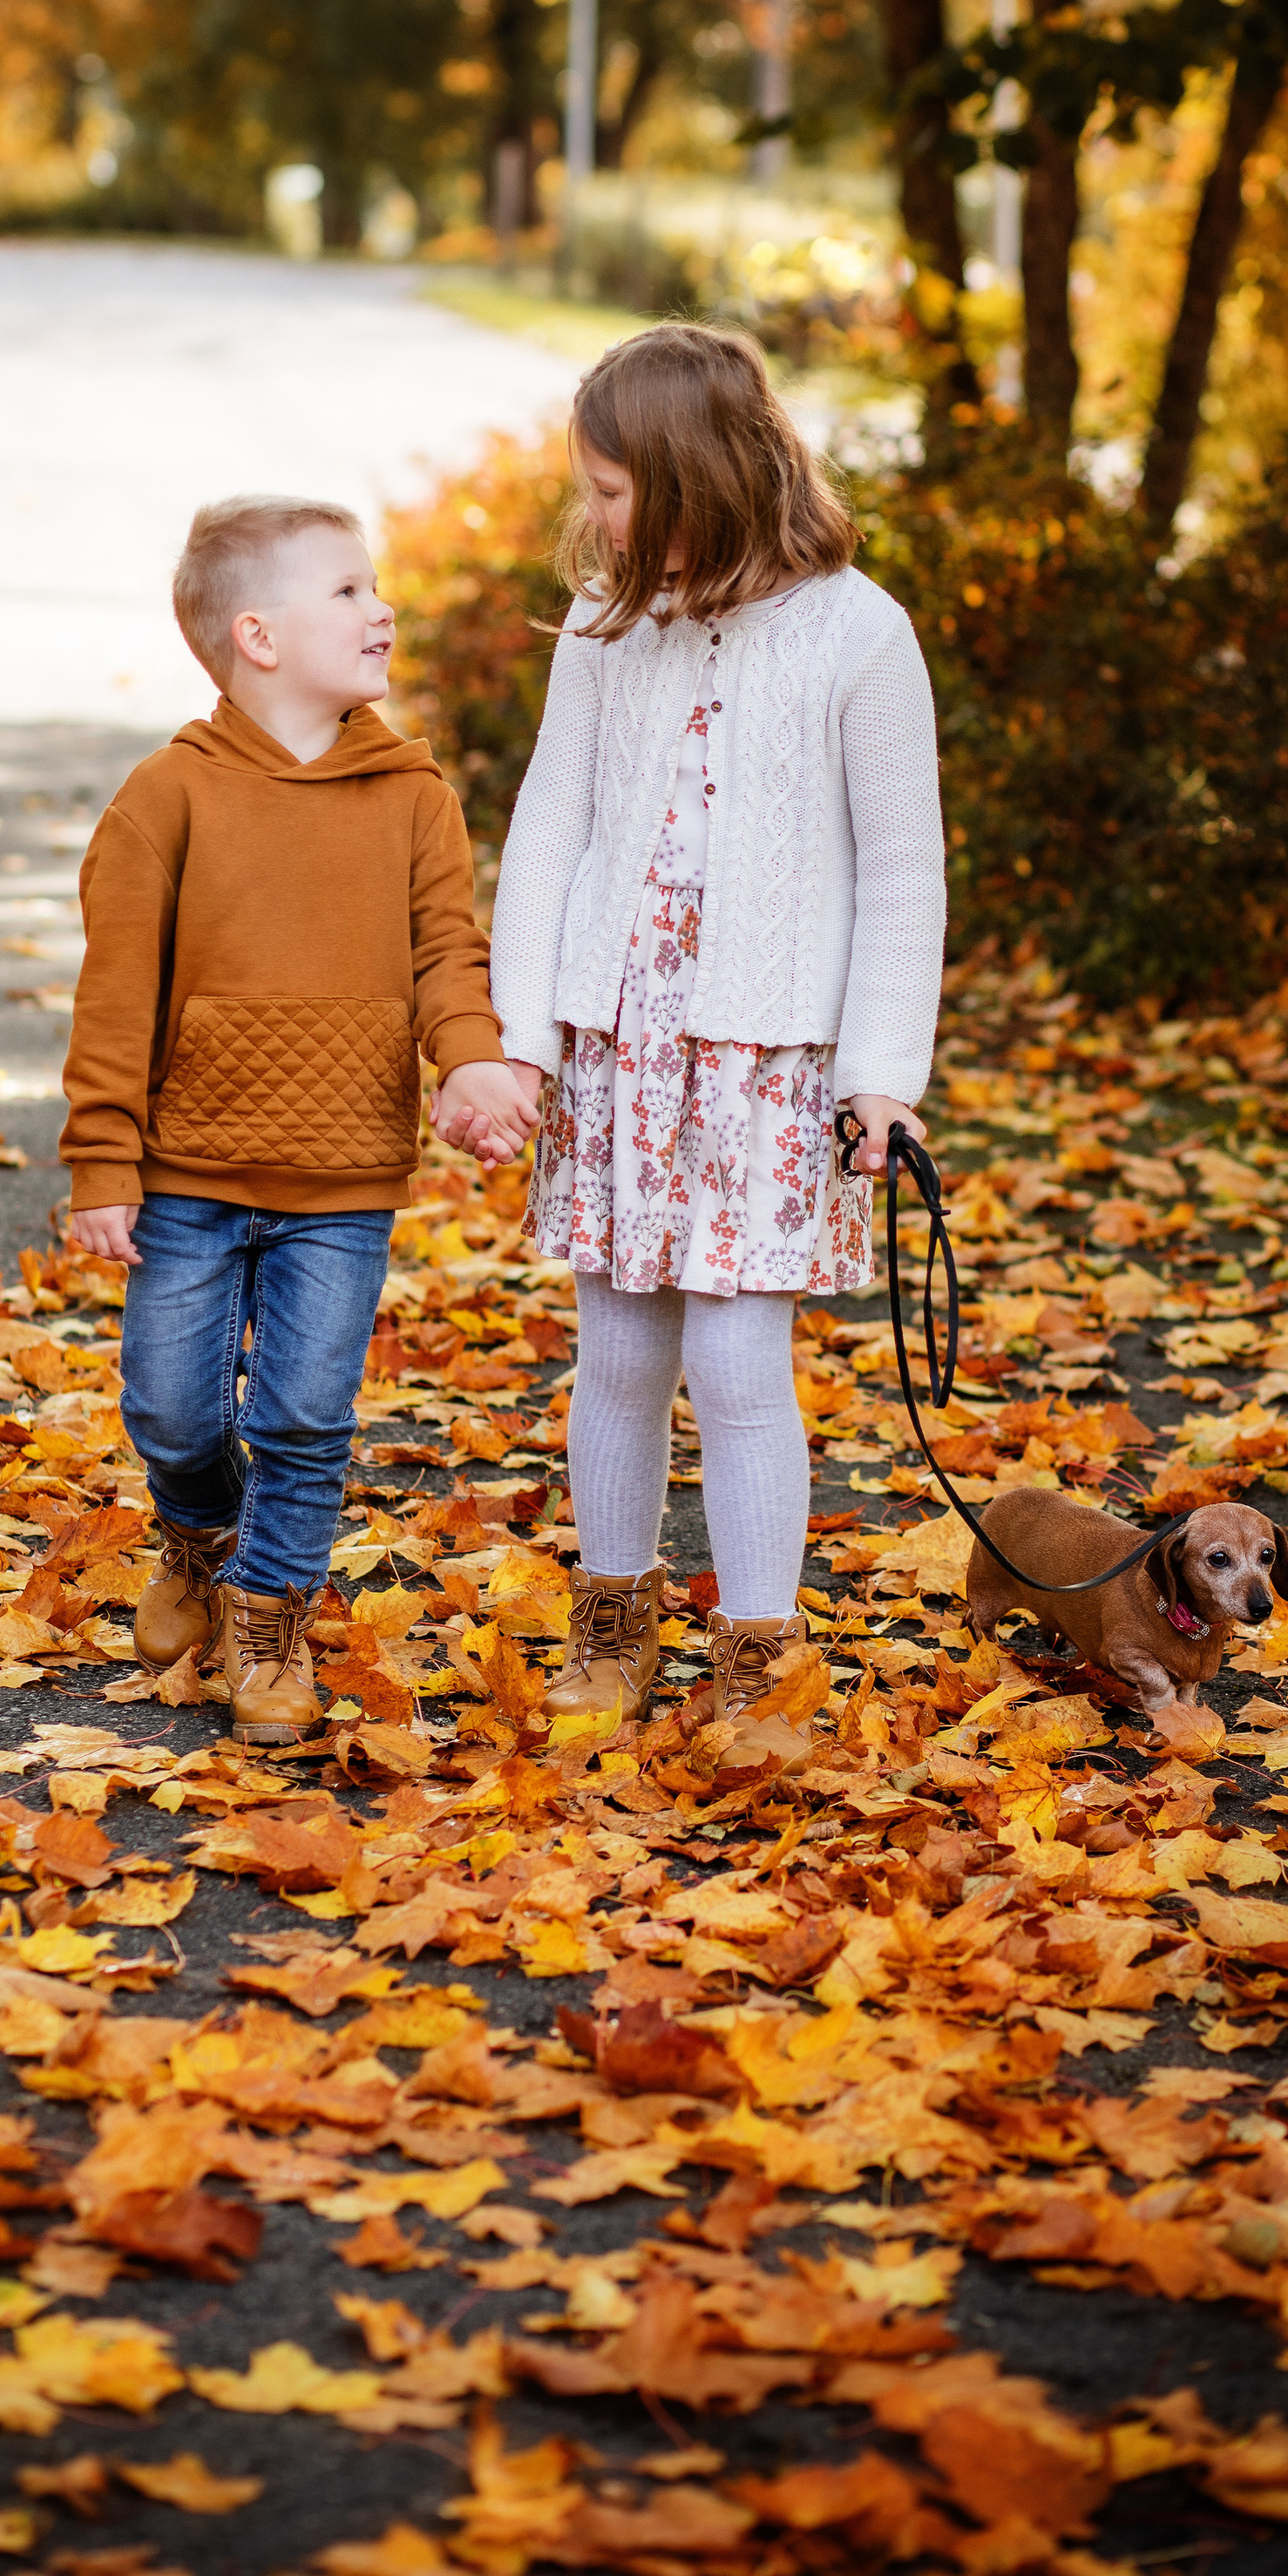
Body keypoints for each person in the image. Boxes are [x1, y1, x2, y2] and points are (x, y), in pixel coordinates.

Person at [488, 324, 946, 1766]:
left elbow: (902, 869)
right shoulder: (607, 625)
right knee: (617, 1353)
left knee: (743, 1369)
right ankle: (613, 1615)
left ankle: (760, 1652)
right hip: (619, 1048)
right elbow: (549, 824)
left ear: (699, 476)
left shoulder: (859, 631)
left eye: (617, 492)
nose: (597, 518)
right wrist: (522, 1037)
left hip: (767, 1063)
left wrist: (884, 1071)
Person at [62, 495, 532, 1744]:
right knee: (170, 1406)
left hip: (341, 1176)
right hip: (187, 1172)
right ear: (257, 636)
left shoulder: (414, 798)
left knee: (307, 1416)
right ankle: (199, 1534)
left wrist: (472, 1064)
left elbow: (448, 954)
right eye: (346, 590)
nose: (381, 608)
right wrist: (102, 1160)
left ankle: (269, 1618)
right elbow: (114, 994)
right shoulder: (167, 797)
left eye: (375, 587)